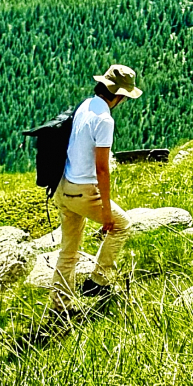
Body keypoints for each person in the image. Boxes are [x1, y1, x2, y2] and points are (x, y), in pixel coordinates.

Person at [52, 62, 142, 302]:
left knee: (68, 252)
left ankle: (59, 306)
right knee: (122, 226)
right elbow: (102, 169)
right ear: (120, 95)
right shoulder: (105, 120)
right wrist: (106, 210)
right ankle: (98, 282)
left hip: (63, 186)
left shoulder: (86, 105)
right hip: (83, 191)